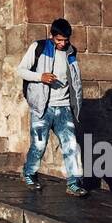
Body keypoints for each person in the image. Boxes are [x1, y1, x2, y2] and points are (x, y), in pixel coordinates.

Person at [16, 18, 87, 197]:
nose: (62, 44)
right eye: (58, 40)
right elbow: (21, 70)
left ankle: (73, 183)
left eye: (65, 40)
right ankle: (29, 173)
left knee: (71, 144)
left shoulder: (71, 52)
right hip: (42, 108)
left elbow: (74, 80)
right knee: (39, 145)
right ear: (51, 36)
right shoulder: (38, 47)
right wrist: (40, 77)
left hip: (63, 109)